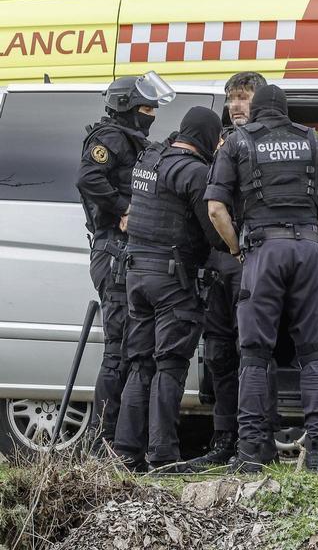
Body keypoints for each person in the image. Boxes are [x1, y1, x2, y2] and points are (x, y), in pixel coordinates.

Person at [205, 84, 318, 473]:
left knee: (255, 353)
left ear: (256, 110)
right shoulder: (313, 141)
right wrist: (314, 235)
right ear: (286, 111)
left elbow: (216, 209)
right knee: (312, 352)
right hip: (307, 249)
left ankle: (250, 454)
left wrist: (237, 249)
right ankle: (317, 455)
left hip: (262, 251)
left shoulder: (238, 142)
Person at [113, 107, 225, 472]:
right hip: (172, 280)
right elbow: (213, 233)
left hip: (136, 274)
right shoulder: (194, 173)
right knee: (170, 364)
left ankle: (126, 453)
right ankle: (163, 456)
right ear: (206, 136)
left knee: (139, 363)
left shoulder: (149, 158)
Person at [75, 73, 175, 450]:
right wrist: (123, 208)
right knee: (117, 352)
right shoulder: (111, 137)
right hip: (113, 252)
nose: (152, 114)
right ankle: (101, 443)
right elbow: (88, 178)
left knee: (131, 350)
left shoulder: (132, 139)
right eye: (146, 108)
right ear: (126, 106)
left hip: (126, 253)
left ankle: (120, 441)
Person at [184, 71, 272, 471]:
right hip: (221, 260)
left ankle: (259, 439)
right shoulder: (218, 142)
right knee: (219, 352)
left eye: (244, 97)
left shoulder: (270, 141)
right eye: (232, 98)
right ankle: (224, 438)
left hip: (254, 257)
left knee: (253, 350)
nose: (236, 105)